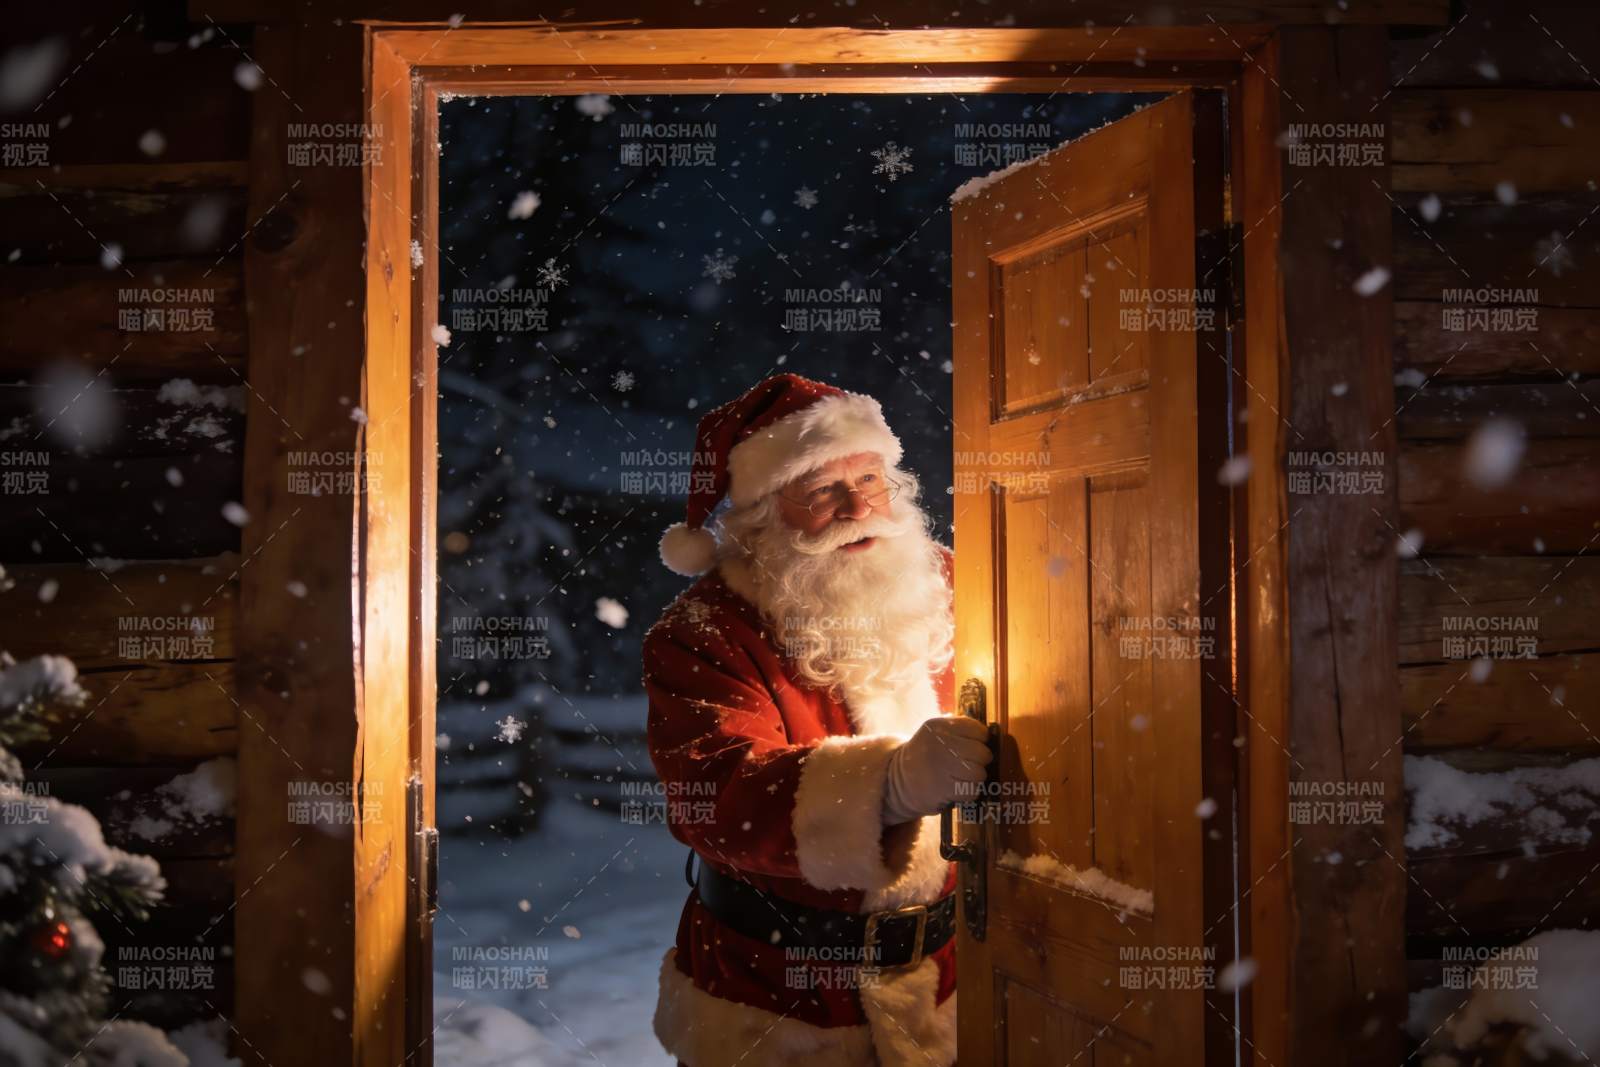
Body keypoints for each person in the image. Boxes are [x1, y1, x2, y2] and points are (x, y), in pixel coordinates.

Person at [644, 373, 993, 1067]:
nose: (858, 505)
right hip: (773, 998)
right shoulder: (704, 631)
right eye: (819, 489)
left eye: (870, 476)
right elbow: (710, 794)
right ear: (761, 515)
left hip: (946, 978)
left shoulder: (952, 581)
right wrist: (889, 783)